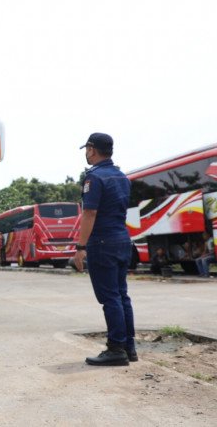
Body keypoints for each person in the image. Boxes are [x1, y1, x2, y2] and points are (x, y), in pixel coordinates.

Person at [74, 133, 137, 366]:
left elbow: (90, 213)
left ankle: (115, 349)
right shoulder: (122, 177)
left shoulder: (94, 178)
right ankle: (129, 347)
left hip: (102, 243)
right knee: (121, 295)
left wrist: (80, 247)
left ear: (92, 150)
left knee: (110, 297)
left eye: (87, 149)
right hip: (122, 240)